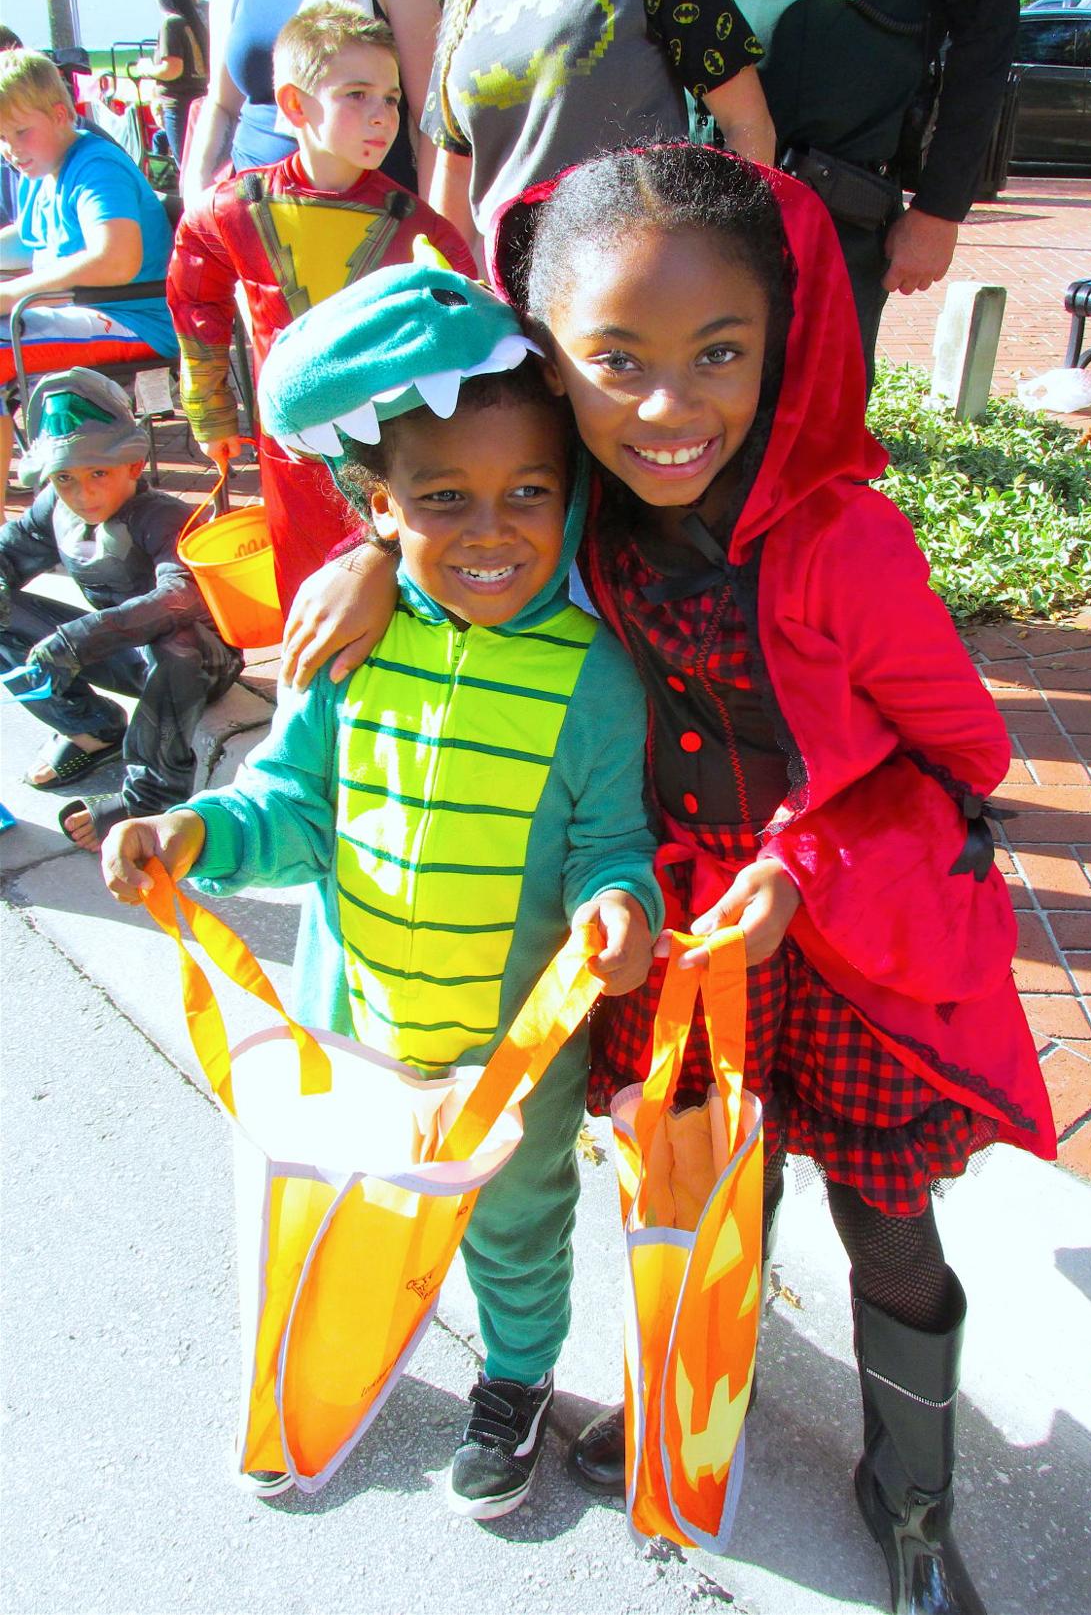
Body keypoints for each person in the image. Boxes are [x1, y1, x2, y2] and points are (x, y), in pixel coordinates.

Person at [282, 144, 1056, 1615]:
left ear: (784, 344)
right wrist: (364, 553)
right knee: (702, 1193)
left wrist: (800, 864)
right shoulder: (583, 514)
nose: (667, 406)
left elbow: (965, 755)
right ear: (550, 363)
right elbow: (421, 470)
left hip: (844, 941)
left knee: (889, 1228)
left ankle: (910, 1500)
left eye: (719, 352)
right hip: (689, 941)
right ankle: (694, 1401)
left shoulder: (844, 540)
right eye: (615, 360)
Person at [100, 261, 663, 1521]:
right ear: (381, 509)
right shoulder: (348, 650)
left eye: (528, 492)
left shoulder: (598, 677)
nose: (490, 529)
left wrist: (621, 905)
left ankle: (514, 1378)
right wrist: (191, 832)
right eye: (443, 496)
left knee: (517, 1224)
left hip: (511, 1056)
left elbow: (610, 844)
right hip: (356, 1025)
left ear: (573, 497)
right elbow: (289, 811)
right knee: (348, 1197)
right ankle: (340, 1340)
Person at [167, 1, 474, 612]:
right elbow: (195, 299)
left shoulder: (417, 225)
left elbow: (466, 318)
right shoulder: (235, 209)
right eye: (357, 95)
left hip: (390, 449)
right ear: (295, 105)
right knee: (307, 595)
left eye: (391, 98)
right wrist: (209, 410)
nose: (382, 115)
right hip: (289, 459)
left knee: (401, 591)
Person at [714, 0, 1018, 390]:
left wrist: (940, 209)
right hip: (701, 198)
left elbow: (987, 34)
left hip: (833, 216)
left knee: (816, 408)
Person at [0, 368, 242, 851]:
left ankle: (149, 797)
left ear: (133, 465)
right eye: (65, 478)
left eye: (98, 474)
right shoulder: (54, 509)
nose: (82, 494)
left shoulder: (165, 517)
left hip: (199, 665)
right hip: (123, 655)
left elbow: (179, 597)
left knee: (179, 643)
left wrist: (76, 641)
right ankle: (92, 730)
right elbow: (8, 551)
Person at [423, 0, 776, 252]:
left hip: (640, 275)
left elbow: (747, 124)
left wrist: (732, 259)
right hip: (510, 303)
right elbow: (453, 171)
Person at [0, 50, 175, 515]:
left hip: (135, 317)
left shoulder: (96, 166)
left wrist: (12, 293)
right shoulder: (42, 167)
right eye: (1, 138)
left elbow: (116, 259)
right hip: (87, 310)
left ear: (60, 114)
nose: (10, 149)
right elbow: (27, 240)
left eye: (20, 132)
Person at [182, 0, 443, 205]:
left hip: (369, 219)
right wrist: (197, 197)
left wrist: (434, 230)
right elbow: (220, 104)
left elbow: (435, 122)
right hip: (251, 210)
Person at [131, 0, 210, 165]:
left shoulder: (171, 23)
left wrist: (145, 68)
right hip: (198, 101)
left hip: (178, 105)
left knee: (185, 164)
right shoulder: (195, 23)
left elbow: (172, 69)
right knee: (200, 163)